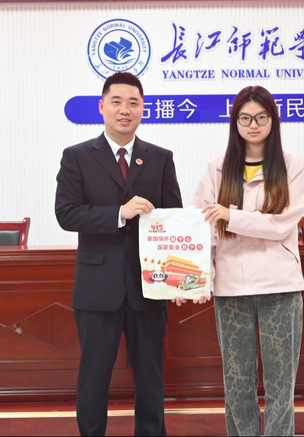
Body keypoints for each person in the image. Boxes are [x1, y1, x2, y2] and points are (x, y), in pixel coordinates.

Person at [175, 85, 304, 436]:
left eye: (261, 117)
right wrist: (199, 279)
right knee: (237, 383)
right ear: (234, 122)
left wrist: (230, 215)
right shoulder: (217, 168)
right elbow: (203, 229)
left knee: (281, 384)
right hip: (231, 287)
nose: (253, 125)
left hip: (280, 287)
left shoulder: (292, 166)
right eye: (245, 118)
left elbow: (281, 225)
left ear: (273, 121)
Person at [55, 72, 183, 436]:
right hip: (97, 288)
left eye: (133, 103)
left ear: (143, 109)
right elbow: (66, 214)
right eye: (117, 102)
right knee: (94, 376)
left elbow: (173, 220)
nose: (125, 110)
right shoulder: (77, 157)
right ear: (102, 106)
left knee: (150, 376)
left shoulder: (160, 158)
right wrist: (118, 213)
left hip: (149, 286)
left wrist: (180, 278)